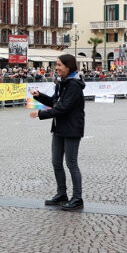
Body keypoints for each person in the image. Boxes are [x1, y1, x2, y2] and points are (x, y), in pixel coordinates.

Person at [30, 53, 86, 211]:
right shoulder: (63, 82)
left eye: (59, 65)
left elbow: (63, 108)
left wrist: (40, 114)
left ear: (68, 67)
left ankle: (77, 198)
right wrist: (40, 97)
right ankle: (62, 194)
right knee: (56, 162)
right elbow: (55, 102)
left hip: (72, 129)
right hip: (59, 127)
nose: (57, 67)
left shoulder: (73, 85)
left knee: (71, 163)